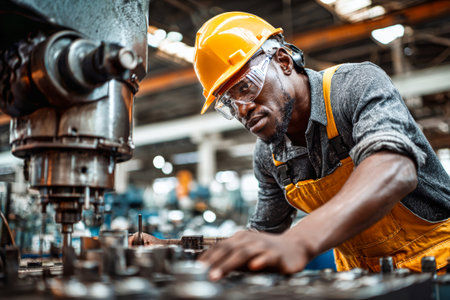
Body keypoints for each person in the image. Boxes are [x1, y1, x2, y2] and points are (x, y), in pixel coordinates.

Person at [130, 11, 450, 280]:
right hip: (363, 279)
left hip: (440, 265)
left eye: (246, 86)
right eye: (229, 102)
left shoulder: (353, 86)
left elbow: (394, 167)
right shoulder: (270, 156)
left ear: (283, 60)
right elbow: (263, 239)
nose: (241, 109)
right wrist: (170, 246)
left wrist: (300, 240)